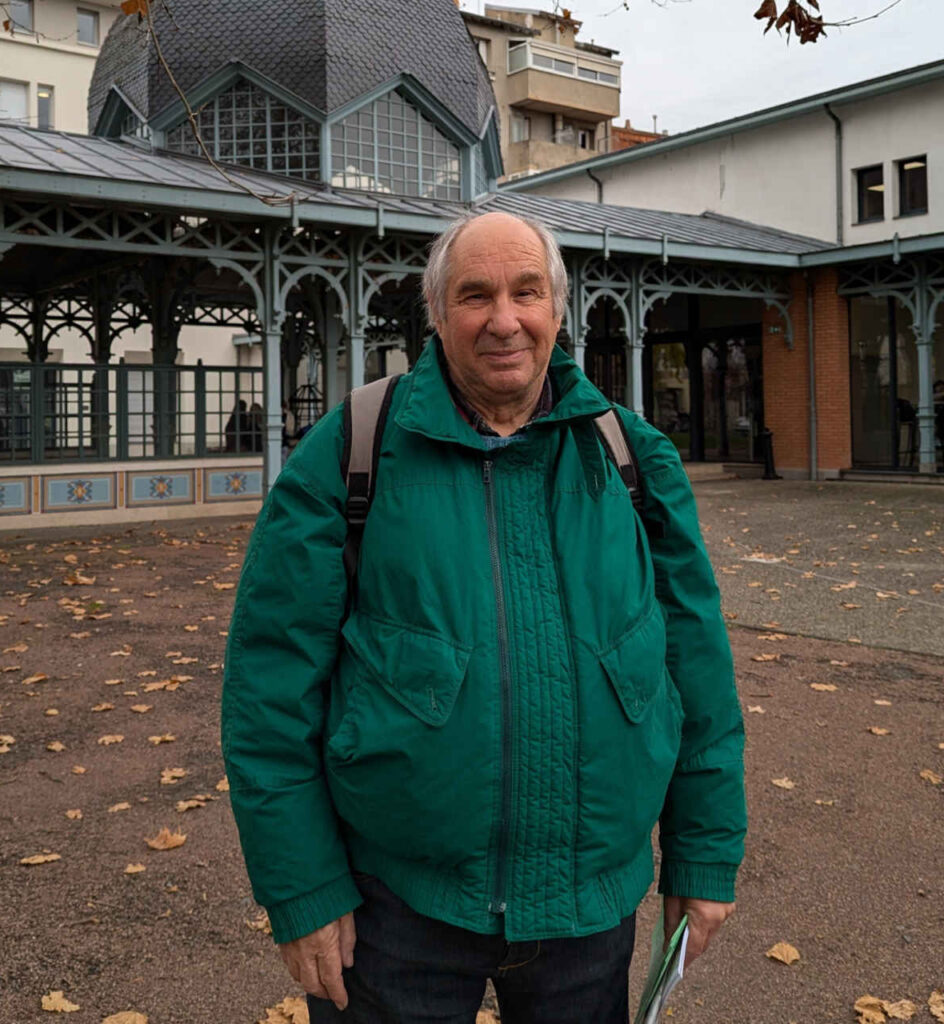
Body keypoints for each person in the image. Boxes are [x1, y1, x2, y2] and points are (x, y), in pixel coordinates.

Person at [222, 212, 746, 1023]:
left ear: (557, 309)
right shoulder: (351, 450)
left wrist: (703, 854)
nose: (504, 319)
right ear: (436, 314)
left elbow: (695, 670)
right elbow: (270, 688)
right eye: (475, 295)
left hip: (587, 912)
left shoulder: (634, 462)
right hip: (393, 914)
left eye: (525, 292)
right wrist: (301, 886)